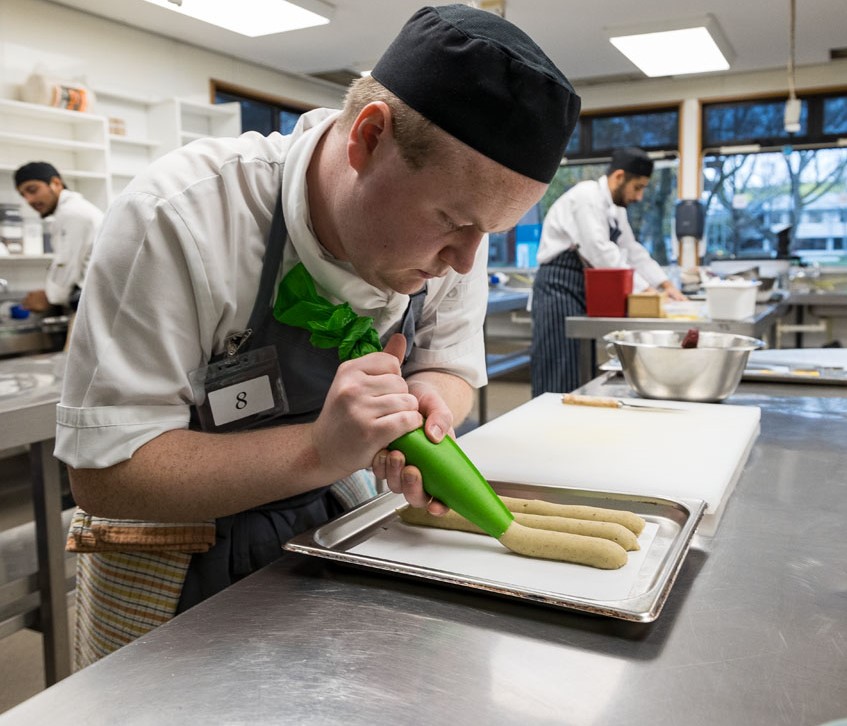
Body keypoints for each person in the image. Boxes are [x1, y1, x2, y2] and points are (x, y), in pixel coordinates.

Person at [57, 4, 580, 666]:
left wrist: (426, 410)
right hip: (170, 567)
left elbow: (447, 365)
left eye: (489, 233)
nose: (465, 261)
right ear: (368, 137)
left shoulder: (459, 236)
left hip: (334, 529)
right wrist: (321, 448)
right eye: (451, 221)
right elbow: (105, 473)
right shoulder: (185, 216)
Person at [530, 147, 686, 395]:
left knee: (577, 367)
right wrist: (645, 291)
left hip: (581, 288)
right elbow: (600, 252)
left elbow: (632, 250)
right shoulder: (586, 197)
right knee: (557, 366)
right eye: (638, 187)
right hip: (557, 288)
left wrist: (666, 285)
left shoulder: (615, 210)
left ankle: (573, 425)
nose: (639, 197)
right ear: (619, 176)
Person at [14, 161, 103, 313]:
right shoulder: (67, 212)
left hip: (96, 304)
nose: (29, 200)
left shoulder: (73, 213)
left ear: (56, 183)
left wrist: (49, 298)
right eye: (24, 195)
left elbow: (66, 266)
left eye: (33, 190)